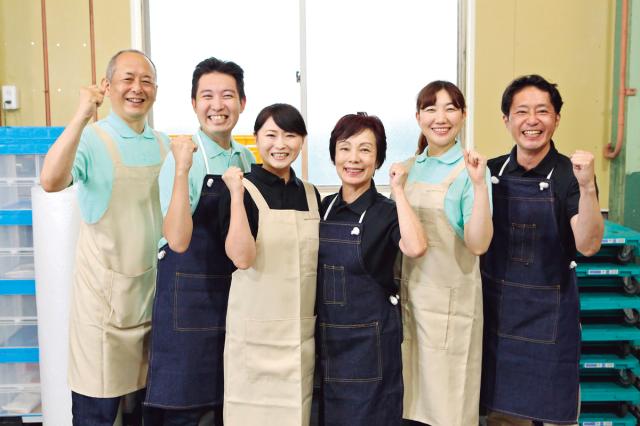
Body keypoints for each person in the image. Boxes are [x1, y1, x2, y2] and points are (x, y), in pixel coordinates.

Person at [39, 49, 169, 425]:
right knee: (96, 412)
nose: (137, 88)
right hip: (102, 308)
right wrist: (82, 114)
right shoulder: (91, 139)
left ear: (156, 90)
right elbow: (50, 181)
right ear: (107, 86)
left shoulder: (164, 145)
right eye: (128, 79)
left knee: (146, 410)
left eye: (146, 81)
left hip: (152, 298)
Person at [481, 74, 604, 426]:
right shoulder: (490, 172)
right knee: (504, 417)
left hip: (552, 314)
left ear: (557, 119)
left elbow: (588, 244)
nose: (532, 121)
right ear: (506, 120)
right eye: (521, 112)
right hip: (499, 314)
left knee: (556, 416)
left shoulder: (571, 175)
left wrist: (587, 188)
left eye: (542, 111)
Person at [144, 57, 255, 425]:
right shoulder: (184, 157)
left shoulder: (245, 158)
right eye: (207, 96)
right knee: (187, 409)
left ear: (242, 102)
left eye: (227, 95)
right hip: (187, 303)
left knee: (229, 404)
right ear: (194, 103)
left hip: (233, 298)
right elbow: (176, 240)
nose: (217, 105)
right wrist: (181, 169)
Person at [316, 113, 426, 425]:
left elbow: (416, 247)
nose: (353, 158)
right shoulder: (322, 208)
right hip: (328, 342)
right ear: (334, 155)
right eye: (345, 148)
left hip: (371, 347)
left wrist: (398, 190)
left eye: (365, 150)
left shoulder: (387, 211)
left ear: (377, 159)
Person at [220, 103, 321, 425]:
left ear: (302, 140)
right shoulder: (242, 188)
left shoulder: (311, 195)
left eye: (290, 135)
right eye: (271, 135)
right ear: (256, 138)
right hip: (253, 337)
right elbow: (241, 258)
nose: (280, 144)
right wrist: (236, 195)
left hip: (298, 337)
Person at [399, 81, 493, 426]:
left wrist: (480, 185)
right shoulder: (408, 168)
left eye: (450, 108)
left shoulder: (471, 171)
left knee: (448, 406)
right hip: (410, 305)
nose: (440, 118)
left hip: (453, 311)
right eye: (431, 109)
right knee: (410, 402)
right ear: (418, 117)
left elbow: (479, 244)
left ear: (463, 115)